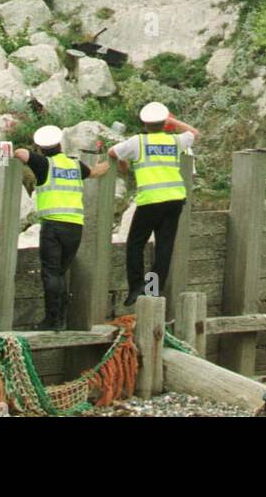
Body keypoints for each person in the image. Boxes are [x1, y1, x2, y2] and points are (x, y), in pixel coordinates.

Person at [12, 124, 109, 331]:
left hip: (53, 225)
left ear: (40, 148)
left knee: (51, 273)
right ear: (59, 144)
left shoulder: (44, 164)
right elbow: (94, 172)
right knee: (61, 272)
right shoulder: (75, 165)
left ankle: (52, 320)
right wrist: (103, 164)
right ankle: (61, 319)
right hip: (75, 226)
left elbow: (21, 153)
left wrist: (6, 152)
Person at [108, 102, 199, 306]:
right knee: (163, 248)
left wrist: (124, 165)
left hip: (150, 201)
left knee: (135, 244)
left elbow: (112, 152)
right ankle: (153, 291)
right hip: (174, 199)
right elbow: (193, 132)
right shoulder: (174, 141)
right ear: (164, 122)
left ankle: (136, 287)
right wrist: (172, 121)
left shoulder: (137, 142)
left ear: (144, 123)